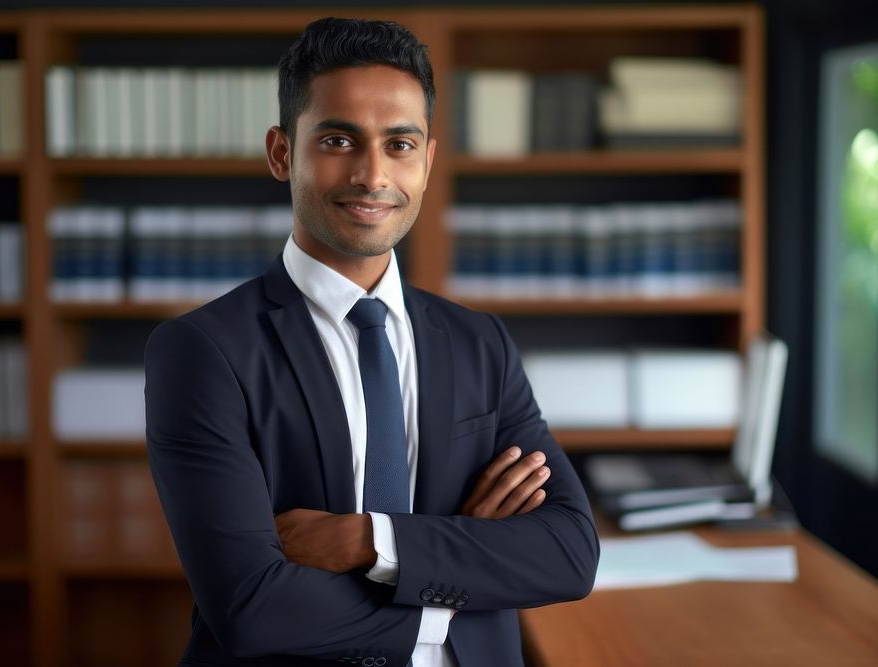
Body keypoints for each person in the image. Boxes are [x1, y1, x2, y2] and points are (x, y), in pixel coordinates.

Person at [144, 17, 599, 667]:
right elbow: (252, 607)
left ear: (429, 161)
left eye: (400, 144)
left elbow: (569, 553)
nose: (372, 175)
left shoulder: (478, 342)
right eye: (338, 139)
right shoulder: (203, 351)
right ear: (281, 153)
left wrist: (369, 540)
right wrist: (460, 572)